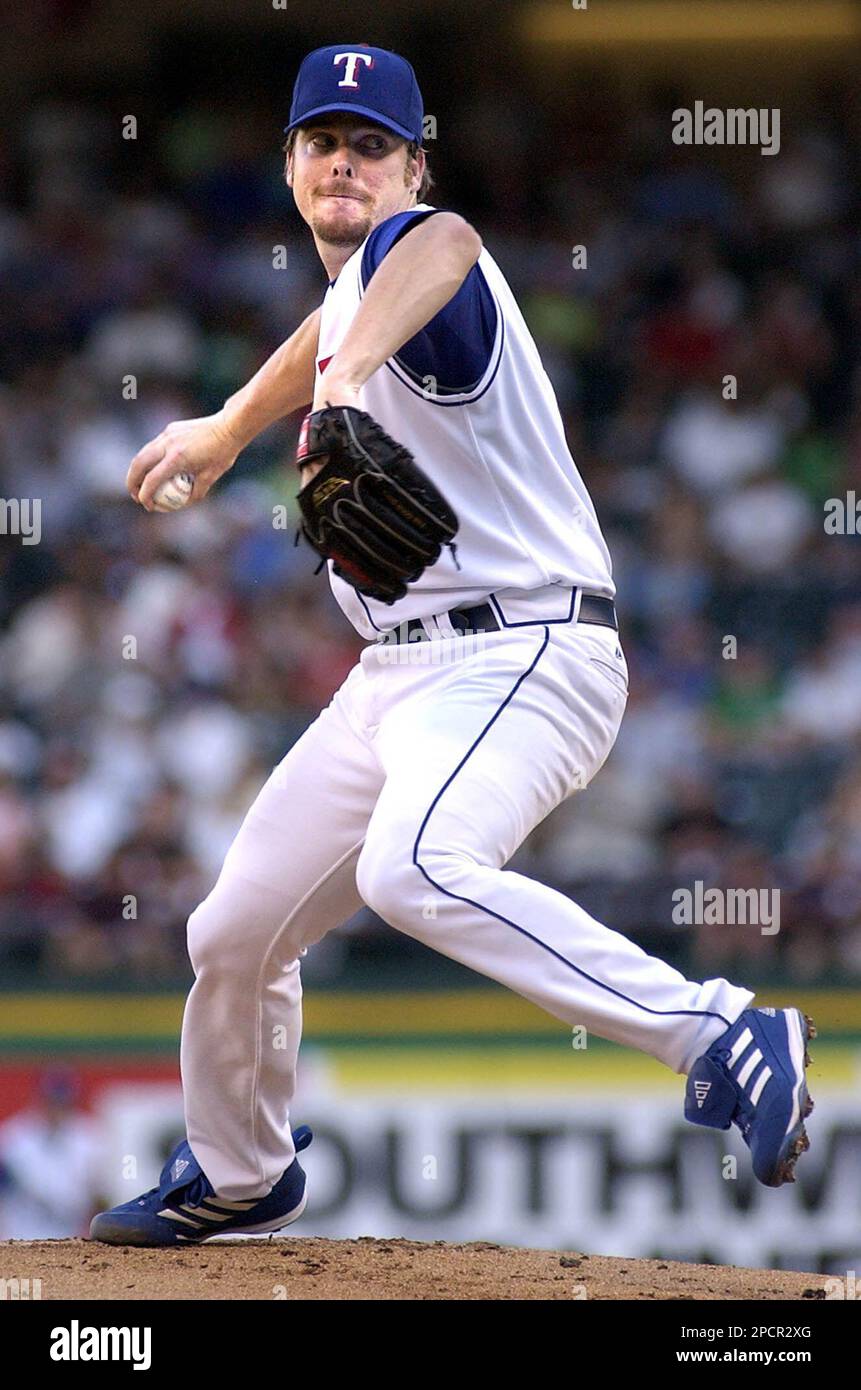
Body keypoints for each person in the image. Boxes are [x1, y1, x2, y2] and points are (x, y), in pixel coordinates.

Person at [90, 44, 814, 1246]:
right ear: (287, 165)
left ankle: (718, 1028)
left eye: (372, 145)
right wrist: (230, 423)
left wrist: (344, 378)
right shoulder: (346, 306)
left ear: (413, 164)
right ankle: (241, 1169)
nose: (345, 162)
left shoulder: (412, 252)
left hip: (527, 650)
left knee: (410, 869)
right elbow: (329, 332)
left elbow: (446, 245)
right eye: (323, 141)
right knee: (232, 930)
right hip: (402, 676)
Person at [0, 1069, 104, 1238]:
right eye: (52, 1101)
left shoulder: (89, 1138)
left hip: (72, 1241)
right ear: (40, 1099)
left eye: (62, 1101)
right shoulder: (13, 1138)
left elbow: (101, 1194)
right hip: (19, 1237)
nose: (57, 1108)